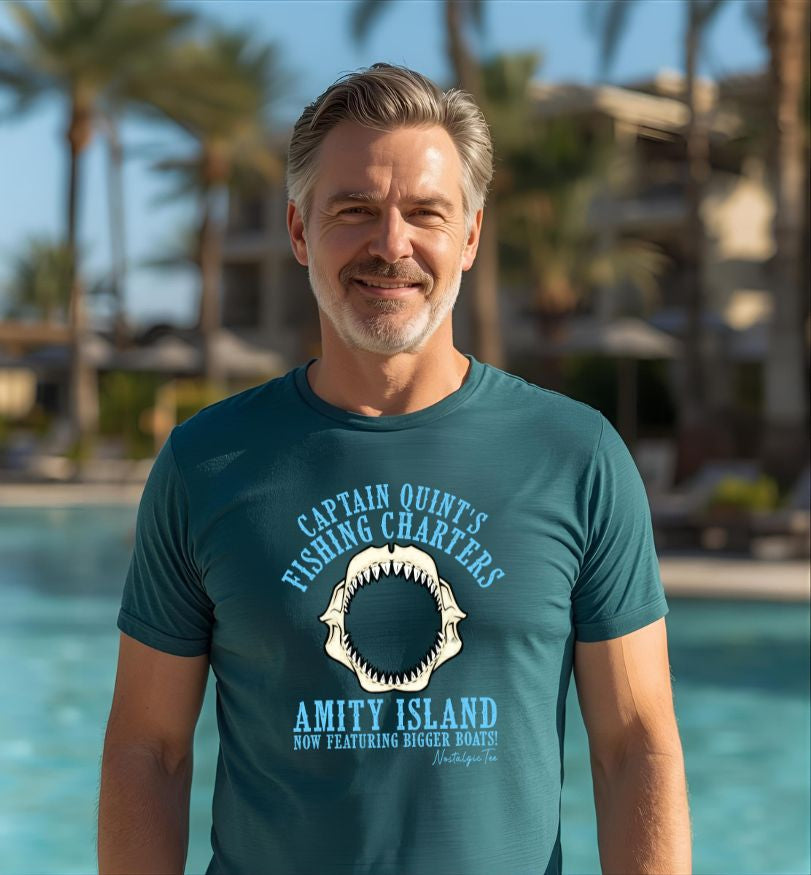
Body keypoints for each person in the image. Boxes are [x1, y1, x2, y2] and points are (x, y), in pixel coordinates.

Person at [98, 63, 691, 875]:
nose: (390, 245)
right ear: (300, 232)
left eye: (424, 213)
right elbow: (148, 750)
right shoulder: (207, 463)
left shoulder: (575, 457)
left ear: (471, 235)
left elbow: (634, 747)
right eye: (353, 211)